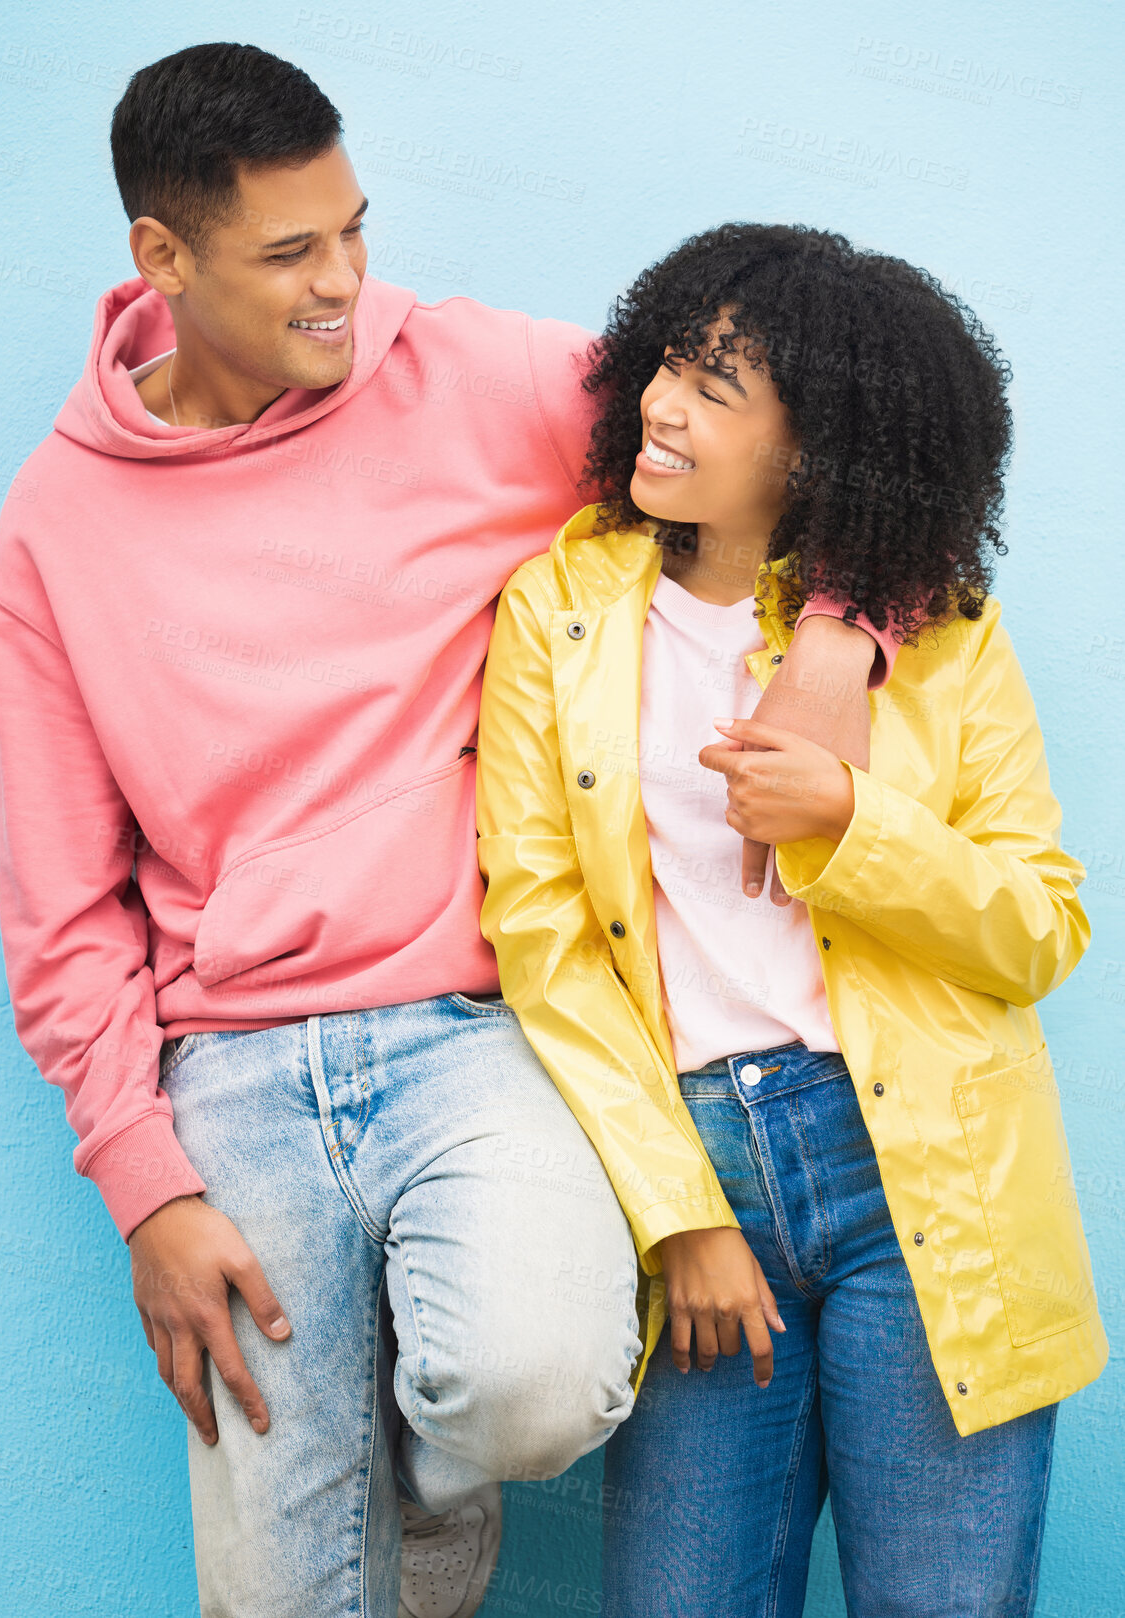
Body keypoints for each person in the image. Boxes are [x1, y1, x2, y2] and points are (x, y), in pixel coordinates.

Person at [0, 48, 899, 1618]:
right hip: (236, 1072)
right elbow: (63, 910)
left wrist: (841, 625)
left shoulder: (480, 377)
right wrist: (147, 1182)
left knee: (533, 1386)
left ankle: (404, 1497)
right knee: (280, 1601)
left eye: (355, 229)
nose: (346, 281)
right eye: (290, 254)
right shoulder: (56, 525)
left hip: (475, 1027)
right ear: (162, 258)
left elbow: (808, 431)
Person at [475, 222, 1108, 1616]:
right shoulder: (561, 609)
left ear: (818, 443)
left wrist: (850, 821)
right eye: (668, 363)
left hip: (925, 1174)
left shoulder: (938, 632)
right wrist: (676, 1210)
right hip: (703, 1169)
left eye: (716, 385)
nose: (659, 402)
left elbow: (1041, 927)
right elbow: (547, 939)